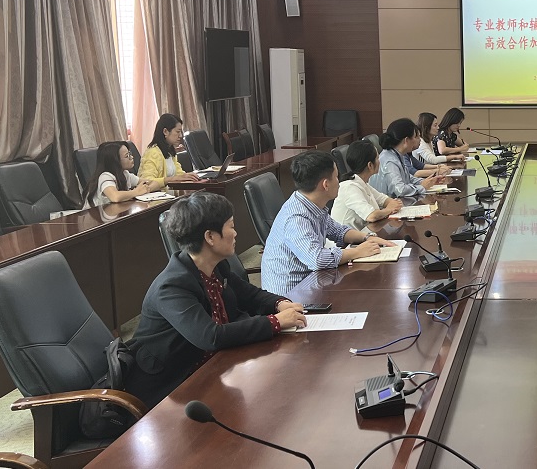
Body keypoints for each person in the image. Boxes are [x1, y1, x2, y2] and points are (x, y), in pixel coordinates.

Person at [122, 193, 307, 407]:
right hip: (171, 387)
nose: (236, 233)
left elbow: (249, 295)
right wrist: (275, 322)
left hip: (213, 366)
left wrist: (279, 304)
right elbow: (211, 336)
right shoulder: (171, 287)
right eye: (231, 226)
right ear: (210, 237)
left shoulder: (216, 266)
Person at [260, 150, 386, 296]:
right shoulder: (296, 218)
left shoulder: (311, 203)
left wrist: (367, 238)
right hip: (290, 296)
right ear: (325, 184)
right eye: (336, 177)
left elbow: (338, 231)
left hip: (311, 283)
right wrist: (358, 252)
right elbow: (318, 259)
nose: (339, 182)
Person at [333, 140, 404, 231]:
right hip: (346, 239)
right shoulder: (349, 187)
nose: (379, 162)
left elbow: (384, 200)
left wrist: (392, 205)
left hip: (363, 234)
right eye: (377, 158)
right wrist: (389, 209)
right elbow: (371, 216)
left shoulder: (362, 183)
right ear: (370, 165)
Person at [370, 118, 447, 197]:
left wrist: (428, 182)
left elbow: (407, 178)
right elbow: (400, 190)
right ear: (406, 140)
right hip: (388, 203)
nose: (419, 140)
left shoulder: (397, 154)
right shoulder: (389, 161)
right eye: (416, 137)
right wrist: (422, 187)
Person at [86, 141, 156, 206]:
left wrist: (147, 188)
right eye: (127, 156)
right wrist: (136, 191)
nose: (132, 157)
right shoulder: (105, 176)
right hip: (94, 213)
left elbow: (152, 182)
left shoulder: (125, 174)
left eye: (130, 154)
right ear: (115, 161)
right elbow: (115, 197)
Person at [138, 113, 200, 185]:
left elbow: (179, 174)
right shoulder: (153, 153)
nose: (180, 135)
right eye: (177, 132)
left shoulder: (169, 150)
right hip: (157, 192)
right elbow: (146, 181)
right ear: (165, 132)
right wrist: (172, 179)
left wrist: (188, 176)